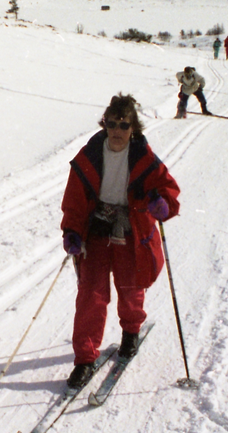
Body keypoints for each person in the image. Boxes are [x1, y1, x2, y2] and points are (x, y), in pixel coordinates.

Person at [60, 94, 180, 390]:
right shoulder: (89, 156)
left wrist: (163, 204)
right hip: (97, 229)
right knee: (91, 295)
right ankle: (85, 359)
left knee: (130, 287)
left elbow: (168, 190)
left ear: (133, 128)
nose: (117, 130)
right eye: (112, 123)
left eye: (124, 125)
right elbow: (74, 200)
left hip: (130, 230)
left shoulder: (145, 158)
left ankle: (130, 331)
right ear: (105, 124)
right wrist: (72, 231)